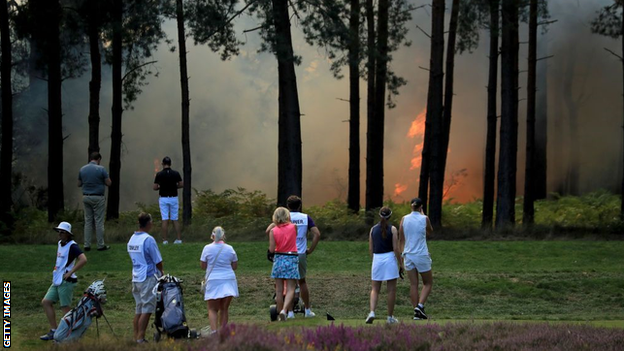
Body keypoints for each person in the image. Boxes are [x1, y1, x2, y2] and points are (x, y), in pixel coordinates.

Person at [265, 195, 320, 318]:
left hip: (282, 254)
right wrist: (310, 249)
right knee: (302, 282)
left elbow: (269, 230)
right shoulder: (306, 218)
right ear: (300, 205)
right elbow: (317, 234)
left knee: (285, 284)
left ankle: (289, 312)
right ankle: (307, 310)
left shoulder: (283, 218)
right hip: (299, 253)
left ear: (288, 206)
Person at [40, 222, 88, 341]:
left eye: (62, 232)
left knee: (65, 309)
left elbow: (83, 259)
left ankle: (69, 334)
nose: (59, 234)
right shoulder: (60, 244)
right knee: (46, 302)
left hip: (66, 281)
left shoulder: (73, 246)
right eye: (59, 231)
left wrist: (70, 272)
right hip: (57, 279)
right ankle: (54, 330)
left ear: (67, 234)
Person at [127, 213, 163, 343]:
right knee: (147, 309)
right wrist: (162, 272)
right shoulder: (148, 239)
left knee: (139, 308)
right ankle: (141, 337)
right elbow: (157, 260)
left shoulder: (132, 239)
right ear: (148, 223)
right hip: (147, 277)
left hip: (136, 277)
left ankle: (136, 336)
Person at [399, 198, 434, 320]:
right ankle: (420, 305)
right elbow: (430, 232)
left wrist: (401, 257)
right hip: (421, 254)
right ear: (421, 207)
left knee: (413, 284)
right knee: (428, 283)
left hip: (408, 255)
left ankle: (417, 312)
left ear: (411, 206)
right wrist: (423, 215)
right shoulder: (424, 218)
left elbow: (401, 239)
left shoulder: (404, 219)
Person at [366, 207, 402, 324]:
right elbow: (396, 248)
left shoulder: (372, 229)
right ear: (390, 216)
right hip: (389, 258)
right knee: (391, 290)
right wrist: (401, 263)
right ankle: (390, 317)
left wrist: (374, 261)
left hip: (377, 258)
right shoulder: (393, 229)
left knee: (375, 289)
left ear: (380, 216)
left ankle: (372, 312)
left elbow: (371, 248)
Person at [200, 226, 239, 332]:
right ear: (223, 236)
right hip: (228, 279)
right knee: (224, 308)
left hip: (213, 280)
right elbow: (234, 266)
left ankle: (214, 332)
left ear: (212, 236)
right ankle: (223, 332)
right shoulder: (230, 248)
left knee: (212, 309)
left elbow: (203, 266)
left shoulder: (207, 248)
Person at [268, 207, 300, 321]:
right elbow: (294, 237)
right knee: (291, 288)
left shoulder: (273, 231)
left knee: (279, 289)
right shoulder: (294, 227)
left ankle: (280, 313)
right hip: (291, 258)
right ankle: (284, 311)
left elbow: (271, 249)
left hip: (279, 258)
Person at [78, 152, 112, 251]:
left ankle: (86, 245)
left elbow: (79, 184)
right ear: (99, 159)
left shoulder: (82, 169)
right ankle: (100, 245)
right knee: (99, 221)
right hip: (98, 197)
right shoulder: (101, 169)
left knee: (88, 221)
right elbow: (109, 183)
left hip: (86, 197)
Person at [153, 156, 183, 244]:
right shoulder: (176, 173)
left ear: (162, 164)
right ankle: (179, 239)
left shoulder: (159, 174)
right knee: (175, 219)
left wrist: (161, 187)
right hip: (173, 198)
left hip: (163, 198)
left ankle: (165, 240)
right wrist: (174, 186)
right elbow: (181, 184)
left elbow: (155, 187)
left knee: (165, 219)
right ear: (170, 164)